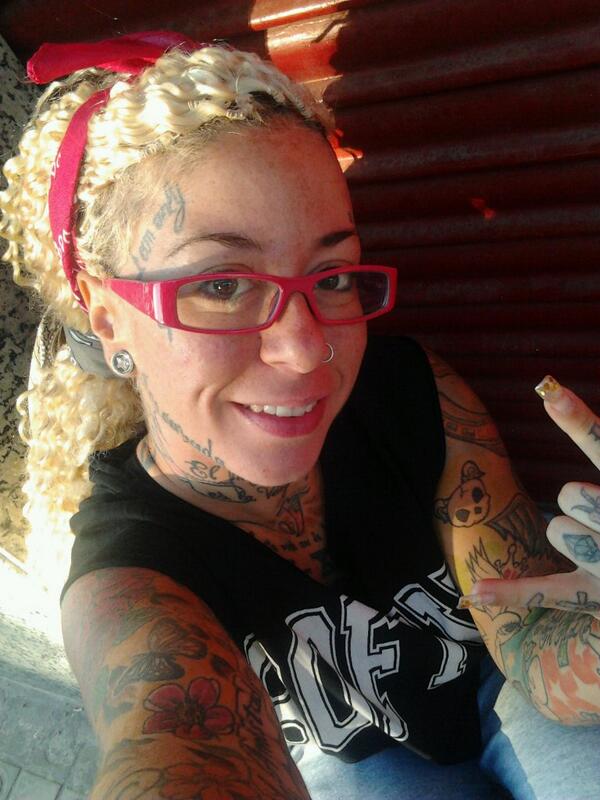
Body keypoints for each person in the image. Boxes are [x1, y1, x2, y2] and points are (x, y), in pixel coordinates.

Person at [1, 29, 599, 800]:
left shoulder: (412, 393)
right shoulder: (133, 573)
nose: (307, 348)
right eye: (221, 285)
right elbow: (176, 741)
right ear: (108, 317)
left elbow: (529, 632)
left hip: (499, 698)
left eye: (333, 275)